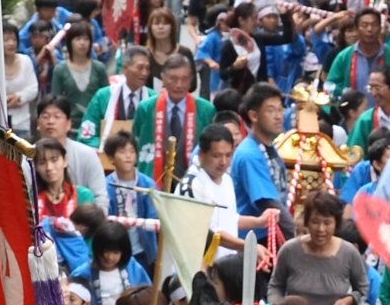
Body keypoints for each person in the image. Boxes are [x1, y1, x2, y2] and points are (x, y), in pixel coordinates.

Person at [268, 189, 370, 305]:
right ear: (307, 222)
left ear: (336, 223)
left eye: (327, 223)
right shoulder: (289, 250)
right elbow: (276, 285)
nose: (321, 229)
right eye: (315, 222)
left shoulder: (349, 253)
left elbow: (362, 289)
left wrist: (349, 300)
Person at [179, 122, 264, 259]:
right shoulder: (192, 185)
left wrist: (259, 221)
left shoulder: (227, 180)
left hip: (225, 267)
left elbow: (230, 219)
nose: (223, 162)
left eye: (228, 155)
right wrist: (248, 246)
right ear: (201, 154)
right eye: (217, 155)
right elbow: (210, 232)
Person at [132, 53, 216, 183]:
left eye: (185, 79)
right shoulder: (146, 107)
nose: (179, 85)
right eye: (173, 78)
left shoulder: (206, 110)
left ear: (192, 79)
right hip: (152, 181)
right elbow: (136, 142)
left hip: (192, 184)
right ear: (163, 78)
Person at [230, 83, 297, 240]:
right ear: (254, 116)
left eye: (280, 109)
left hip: (270, 234)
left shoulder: (269, 147)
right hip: (253, 238)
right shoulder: (249, 154)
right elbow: (268, 203)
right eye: (271, 110)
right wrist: (295, 236)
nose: (278, 116)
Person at [72, 220, 151, 305]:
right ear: (97, 249)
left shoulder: (133, 267)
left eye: (115, 252)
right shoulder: (82, 275)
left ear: (123, 252)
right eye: (105, 251)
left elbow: (149, 300)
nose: (109, 257)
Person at [325, 7, 390, 101]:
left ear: (380, 28)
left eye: (374, 25)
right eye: (364, 25)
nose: (369, 29)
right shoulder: (344, 57)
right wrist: (345, 94)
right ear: (357, 28)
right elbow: (330, 86)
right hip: (353, 114)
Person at [79, 45, 154, 152]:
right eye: (140, 67)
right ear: (125, 69)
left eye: (147, 68)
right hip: (108, 158)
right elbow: (87, 134)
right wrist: (108, 147)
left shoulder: (153, 99)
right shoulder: (103, 96)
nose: (145, 73)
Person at [103, 130, 157, 272]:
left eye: (132, 151)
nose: (128, 156)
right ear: (111, 158)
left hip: (143, 250)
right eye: (122, 151)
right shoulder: (106, 185)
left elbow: (154, 215)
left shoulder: (147, 184)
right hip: (116, 251)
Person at [36, 96, 107, 203]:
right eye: (45, 117)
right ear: (38, 123)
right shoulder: (27, 156)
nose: (50, 121)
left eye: (57, 116)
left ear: (68, 124)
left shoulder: (87, 155)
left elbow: (100, 197)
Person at [0, 19, 40, 134]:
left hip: (22, 124)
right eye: (6, 40)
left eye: (14, 39)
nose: (11, 43)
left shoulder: (26, 61)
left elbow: (33, 88)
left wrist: (19, 97)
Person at [50, 19, 108, 134]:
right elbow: (55, 100)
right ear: (69, 42)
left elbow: (106, 100)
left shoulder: (99, 68)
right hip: (70, 129)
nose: (82, 43)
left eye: (86, 39)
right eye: (78, 39)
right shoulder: (60, 70)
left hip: (95, 128)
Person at [347, 66, 390, 152]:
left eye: (377, 88)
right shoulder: (365, 120)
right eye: (370, 88)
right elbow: (354, 153)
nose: (373, 93)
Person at [33, 138, 94, 223]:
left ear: (65, 161)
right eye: (42, 162)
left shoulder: (83, 195)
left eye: (54, 160)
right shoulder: (30, 198)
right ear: (36, 167)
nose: (49, 167)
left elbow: (90, 233)